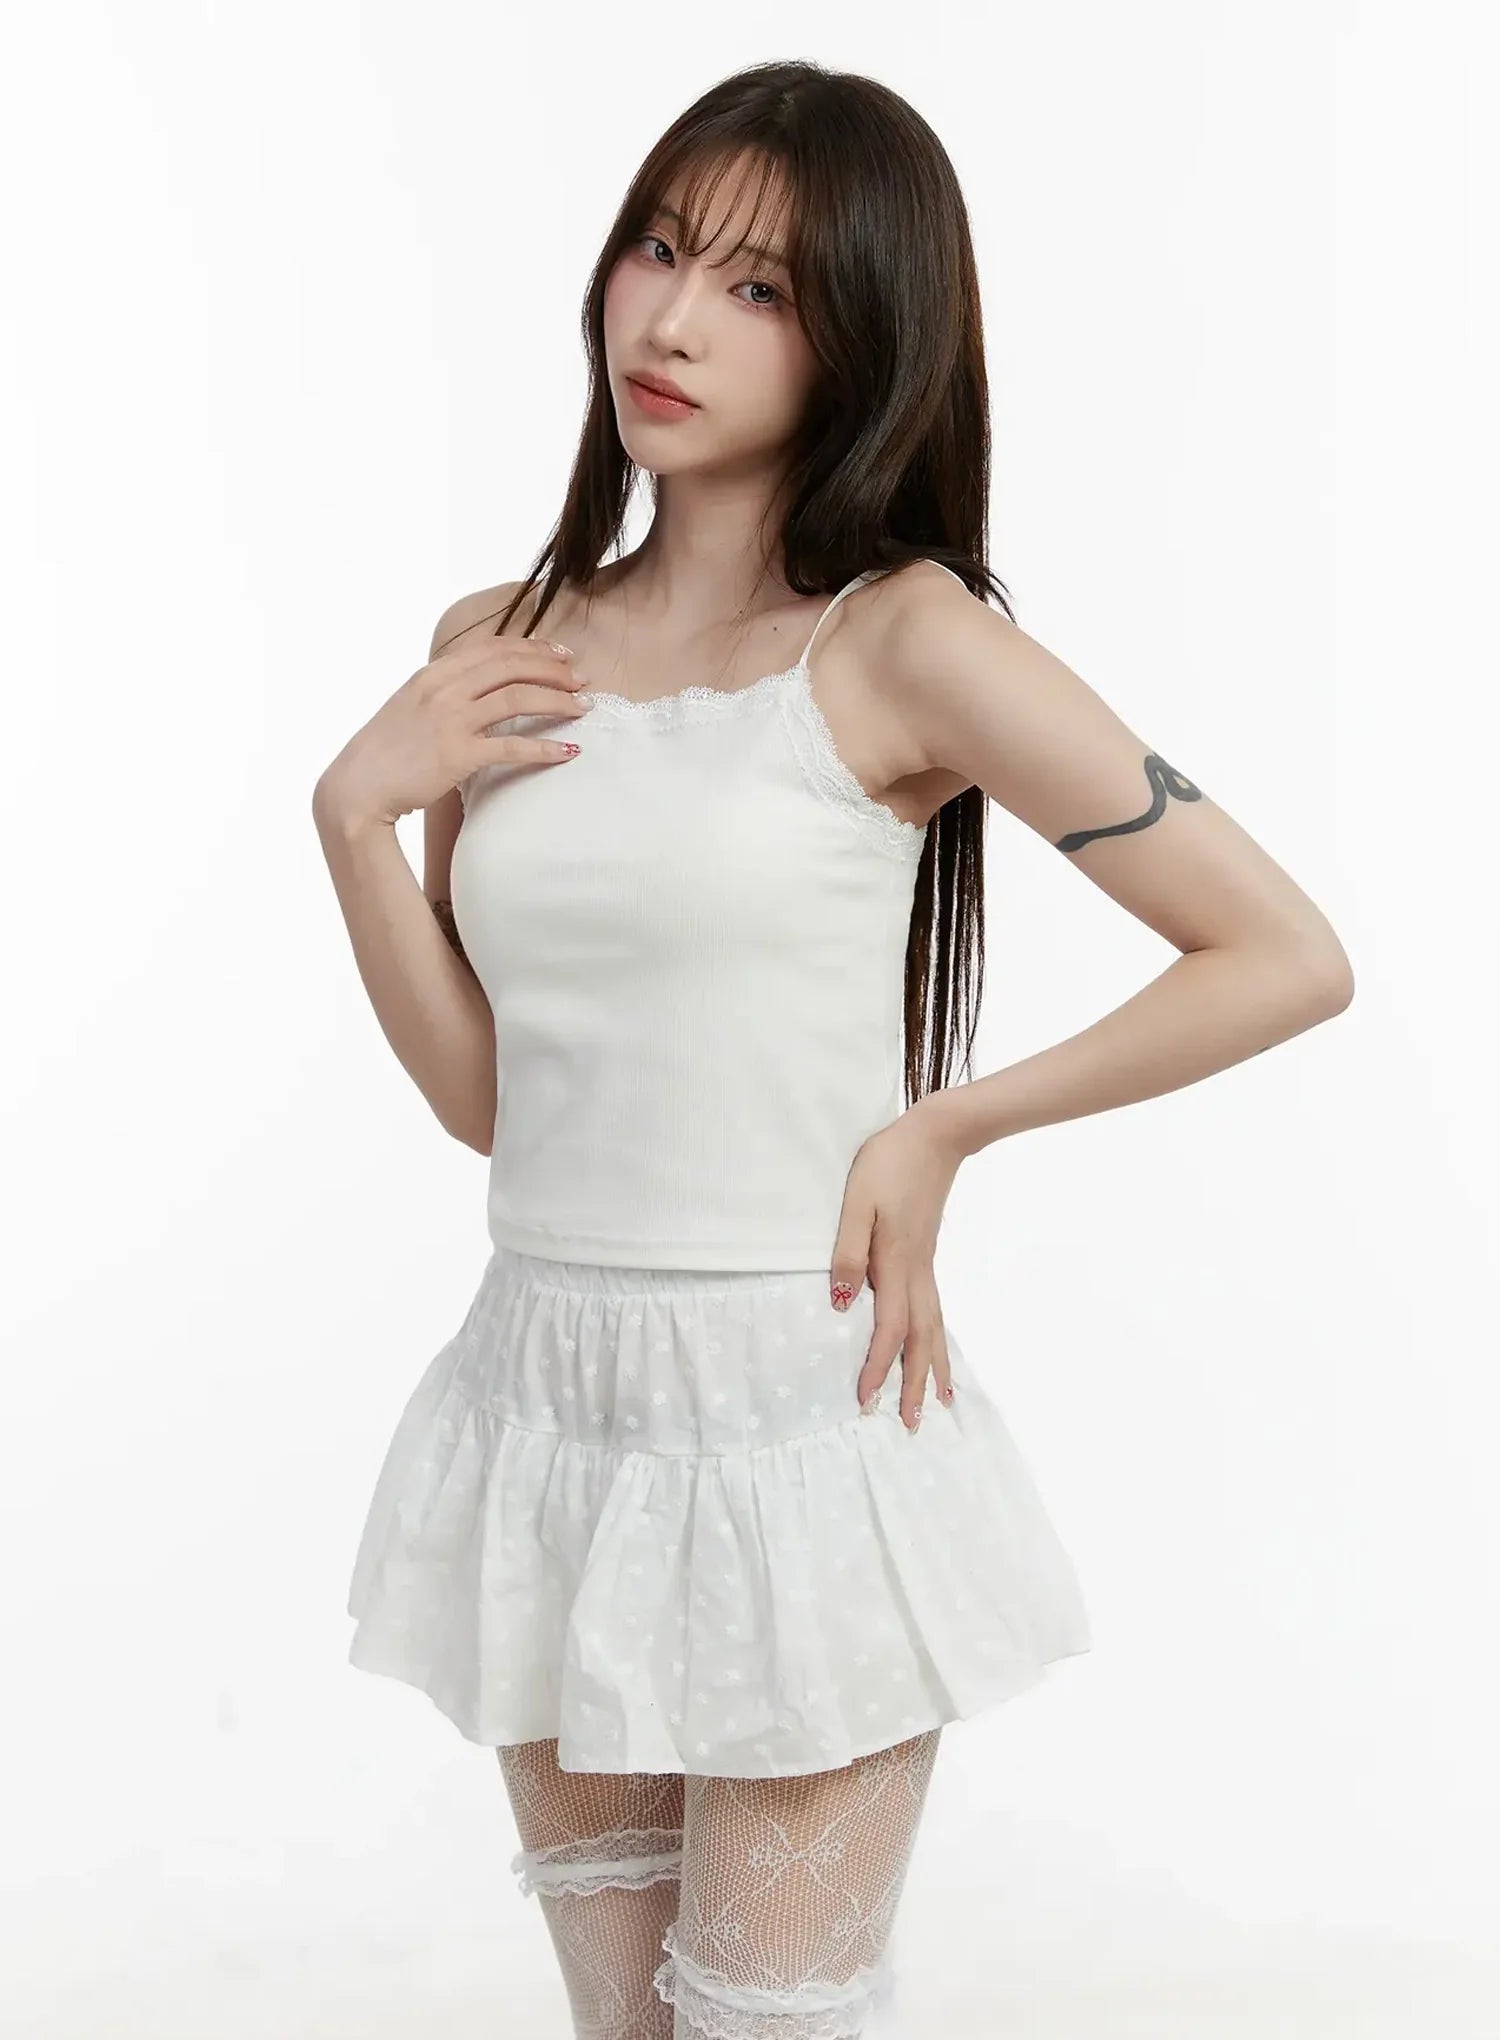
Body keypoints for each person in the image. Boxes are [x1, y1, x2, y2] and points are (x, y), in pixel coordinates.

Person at [311, 58, 1354, 2040]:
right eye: (660, 248)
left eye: (761, 289)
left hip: (796, 1414)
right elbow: (493, 1106)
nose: (674, 321)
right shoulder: (498, 641)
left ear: (865, 335)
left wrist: (944, 1127)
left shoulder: (902, 643)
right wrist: (354, 818)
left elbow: (1282, 952)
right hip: (549, 1406)